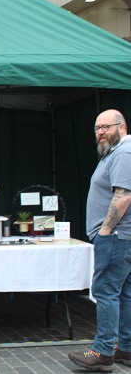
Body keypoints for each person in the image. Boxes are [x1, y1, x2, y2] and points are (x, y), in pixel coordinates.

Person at [68, 109, 131, 372]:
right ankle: (126, 348)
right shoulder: (114, 153)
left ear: (122, 126)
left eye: (106, 127)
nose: (101, 132)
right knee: (124, 293)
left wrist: (104, 231)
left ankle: (103, 351)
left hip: (115, 237)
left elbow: (124, 195)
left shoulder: (124, 153)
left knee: (106, 292)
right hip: (121, 237)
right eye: (97, 128)